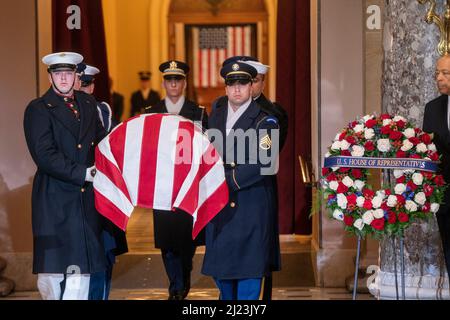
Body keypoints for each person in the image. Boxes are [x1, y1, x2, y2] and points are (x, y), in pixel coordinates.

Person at [23, 52, 107, 300]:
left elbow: (102, 140)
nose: (63, 78)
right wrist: (83, 173)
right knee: (53, 273)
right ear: (50, 77)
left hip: (84, 200)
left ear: (75, 76)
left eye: (68, 73)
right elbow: (44, 155)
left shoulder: (88, 104)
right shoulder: (38, 109)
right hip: (54, 199)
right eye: (57, 73)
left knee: (81, 271)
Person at [201, 61, 280, 300]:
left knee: (248, 277)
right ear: (225, 89)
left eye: (243, 83)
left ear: (251, 87)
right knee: (223, 277)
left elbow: (264, 163)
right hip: (220, 208)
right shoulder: (215, 118)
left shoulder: (266, 121)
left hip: (250, 206)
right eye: (231, 84)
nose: (237, 89)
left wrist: (224, 181)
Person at [145, 60, 208, 300]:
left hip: (189, 187)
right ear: (163, 83)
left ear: (184, 83)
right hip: (161, 188)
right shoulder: (151, 112)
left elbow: (207, 149)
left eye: (178, 79)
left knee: (186, 243)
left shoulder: (199, 112)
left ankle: (182, 281)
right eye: (169, 80)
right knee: (166, 242)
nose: (173, 84)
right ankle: (176, 288)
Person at [75, 63, 129, 300]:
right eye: (81, 83)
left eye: (87, 84)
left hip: (101, 191)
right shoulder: (63, 111)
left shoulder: (103, 111)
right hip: (76, 192)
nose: (84, 88)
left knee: (103, 256)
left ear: (93, 85)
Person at [423, 54, 450, 280]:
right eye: (437, 73)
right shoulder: (432, 108)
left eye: (446, 73)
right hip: (446, 198)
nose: (439, 78)